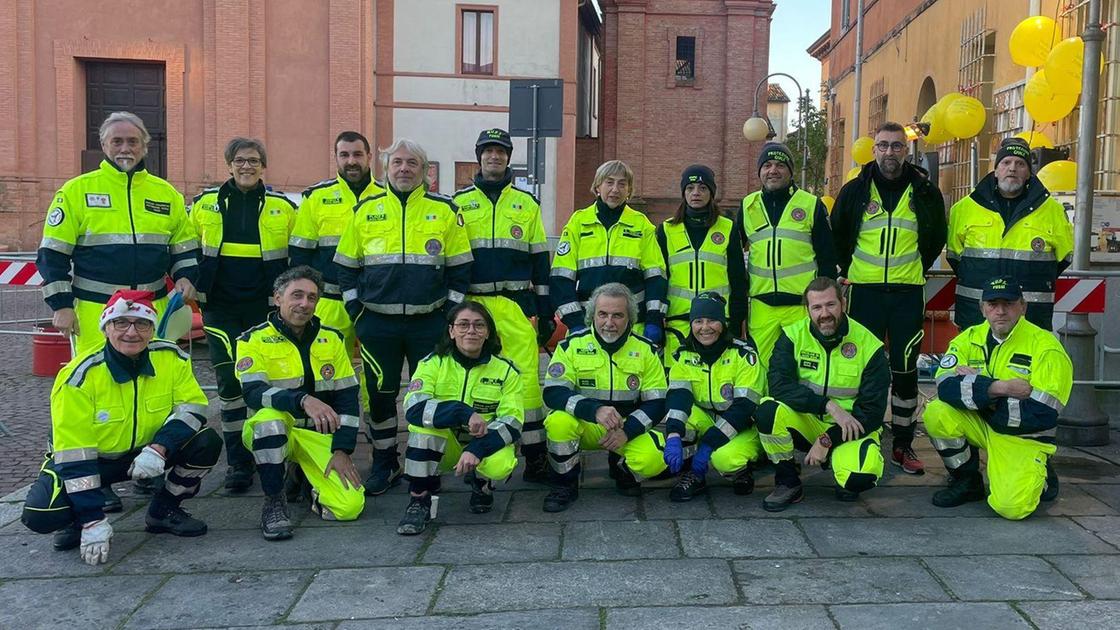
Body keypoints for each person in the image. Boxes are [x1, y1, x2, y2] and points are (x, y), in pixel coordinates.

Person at [21, 290, 221, 565]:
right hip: (92, 462)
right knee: (40, 514)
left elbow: (193, 407)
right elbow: (74, 454)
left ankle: (163, 510)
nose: (131, 332)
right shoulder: (79, 377)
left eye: (141, 324)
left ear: (152, 330)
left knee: (206, 442)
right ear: (105, 329)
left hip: (147, 454)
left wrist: (159, 448)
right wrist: (93, 520)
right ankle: (80, 519)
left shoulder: (172, 358)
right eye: (121, 323)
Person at [335, 138, 473, 495]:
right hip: (377, 323)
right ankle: (385, 461)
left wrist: (448, 315)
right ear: (385, 169)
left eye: (412, 163)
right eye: (397, 162)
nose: (404, 169)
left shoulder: (445, 210)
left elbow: (460, 271)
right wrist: (357, 312)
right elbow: (346, 269)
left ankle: (426, 460)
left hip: (430, 323)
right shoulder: (365, 210)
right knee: (379, 395)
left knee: (431, 392)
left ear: (425, 171)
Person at [831, 121, 947, 475]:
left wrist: (914, 267)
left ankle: (902, 443)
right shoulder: (854, 191)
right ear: (873, 150)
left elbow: (935, 237)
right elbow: (838, 234)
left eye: (897, 146)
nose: (890, 152)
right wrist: (848, 270)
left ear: (906, 150)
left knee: (906, 369)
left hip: (906, 293)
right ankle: (862, 434)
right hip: (864, 293)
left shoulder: (925, 191)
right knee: (861, 367)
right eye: (883, 145)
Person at [37, 111, 199, 353]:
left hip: (153, 310)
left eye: (133, 141)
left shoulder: (167, 194)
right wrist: (61, 305)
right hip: (95, 312)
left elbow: (184, 248)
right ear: (104, 145)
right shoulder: (75, 191)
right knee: (97, 384)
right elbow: (52, 254)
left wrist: (185, 276)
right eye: (117, 141)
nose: (126, 148)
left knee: (154, 384)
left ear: (145, 146)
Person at [191, 137, 297, 493]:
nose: (247, 166)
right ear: (229, 164)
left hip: (265, 310)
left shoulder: (283, 207)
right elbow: (187, 249)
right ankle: (238, 464)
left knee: (268, 382)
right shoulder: (205, 204)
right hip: (220, 309)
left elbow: (296, 258)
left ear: (263, 166)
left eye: (253, 161)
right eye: (240, 160)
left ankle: (274, 454)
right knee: (230, 388)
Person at [452, 128, 552, 483]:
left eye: (501, 151)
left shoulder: (527, 205)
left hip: (515, 305)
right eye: (488, 151)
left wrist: (543, 312)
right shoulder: (458, 203)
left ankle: (536, 457)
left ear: (509, 158)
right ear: (478, 156)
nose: (494, 157)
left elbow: (541, 262)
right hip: (474, 305)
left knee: (526, 384)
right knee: (478, 379)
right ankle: (480, 449)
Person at [925, 277, 1070, 520]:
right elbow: (945, 387)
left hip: (1021, 436)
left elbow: (1042, 414)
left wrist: (976, 388)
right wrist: (999, 388)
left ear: (1023, 307)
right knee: (937, 412)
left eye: (1009, 303)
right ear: (982, 308)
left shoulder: (1046, 347)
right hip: (984, 421)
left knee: (1012, 509)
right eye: (992, 304)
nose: (1000, 311)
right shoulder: (968, 337)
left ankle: (1041, 472)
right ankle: (967, 482)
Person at [236, 266, 364, 540]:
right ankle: (274, 502)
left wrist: (343, 450)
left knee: (349, 507)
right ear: (278, 298)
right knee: (270, 420)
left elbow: (348, 400)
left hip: (320, 437)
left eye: (312, 298)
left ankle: (302, 479)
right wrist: (302, 400)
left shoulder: (332, 339)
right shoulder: (252, 340)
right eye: (297, 295)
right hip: (274, 430)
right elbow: (253, 393)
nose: (304, 304)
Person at [755, 277, 890, 511]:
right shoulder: (791, 336)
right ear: (807, 310)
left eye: (830, 305)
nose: (824, 314)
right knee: (768, 410)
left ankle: (840, 466)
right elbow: (779, 386)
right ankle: (788, 482)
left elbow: (872, 412)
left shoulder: (870, 345)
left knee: (858, 479)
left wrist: (828, 439)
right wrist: (828, 405)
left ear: (843, 304)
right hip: (809, 421)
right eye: (816, 307)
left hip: (852, 427)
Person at [397, 301, 523, 535]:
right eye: (463, 325)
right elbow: (414, 409)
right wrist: (462, 412)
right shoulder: (432, 363)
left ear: (488, 333)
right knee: (422, 432)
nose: (471, 331)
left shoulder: (507, 370)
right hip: (446, 446)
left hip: (482, 444)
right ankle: (419, 500)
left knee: (501, 464)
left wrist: (477, 449)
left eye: (479, 325)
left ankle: (481, 484)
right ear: (451, 331)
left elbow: (513, 422)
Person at [540, 283, 667, 512]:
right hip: (586, 425)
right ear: (592, 315)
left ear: (630, 317)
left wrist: (627, 432)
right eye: (603, 314)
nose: (609, 323)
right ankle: (564, 485)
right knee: (558, 421)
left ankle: (621, 468)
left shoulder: (646, 350)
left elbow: (657, 403)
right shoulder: (571, 345)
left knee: (655, 458)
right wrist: (594, 410)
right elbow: (553, 392)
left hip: (626, 428)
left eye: (618, 315)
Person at [947, 137, 1073, 330]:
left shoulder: (1052, 211)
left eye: (1020, 164)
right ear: (996, 170)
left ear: (1029, 174)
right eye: (1006, 162)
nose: (1012, 168)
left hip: (1031, 318)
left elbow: (1064, 258)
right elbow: (955, 257)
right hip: (976, 314)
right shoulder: (964, 208)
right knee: (976, 361)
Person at [733, 142, 837, 366]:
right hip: (762, 308)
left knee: (804, 368)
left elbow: (827, 258)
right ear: (759, 172)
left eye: (780, 165)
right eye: (767, 165)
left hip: (801, 306)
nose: (773, 170)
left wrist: (825, 301)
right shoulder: (748, 205)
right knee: (760, 368)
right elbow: (732, 257)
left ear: (790, 171)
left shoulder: (811, 205)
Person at [660, 293, 766, 502]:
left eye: (712, 320)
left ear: (723, 324)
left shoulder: (744, 355)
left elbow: (744, 408)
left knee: (725, 460)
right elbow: (679, 398)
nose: (705, 327)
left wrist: (708, 445)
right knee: (682, 417)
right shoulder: (683, 355)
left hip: (742, 425)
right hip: (707, 420)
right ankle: (691, 473)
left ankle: (743, 469)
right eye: (698, 321)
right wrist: (672, 435)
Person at [550, 160, 667, 344]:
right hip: (586, 326)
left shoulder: (641, 225)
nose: (615, 189)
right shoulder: (578, 223)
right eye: (609, 182)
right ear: (598, 186)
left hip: (632, 326)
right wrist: (575, 323)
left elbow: (656, 277)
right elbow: (561, 278)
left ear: (629, 190)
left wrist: (653, 320)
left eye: (622, 184)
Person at [290, 131, 385, 354]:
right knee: (327, 367)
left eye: (357, 154)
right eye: (344, 155)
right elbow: (300, 254)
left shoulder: (386, 196)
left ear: (369, 157)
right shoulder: (316, 197)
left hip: (375, 301)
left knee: (375, 372)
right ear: (336, 157)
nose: (351, 161)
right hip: (330, 301)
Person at [655, 165, 747, 366]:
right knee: (679, 383)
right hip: (678, 322)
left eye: (703, 188)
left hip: (717, 323)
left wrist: (737, 321)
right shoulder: (666, 230)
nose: (696, 193)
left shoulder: (728, 228)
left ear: (711, 192)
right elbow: (659, 279)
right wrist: (656, 318)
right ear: (683, 192)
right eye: (690, 188)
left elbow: (738, 280)